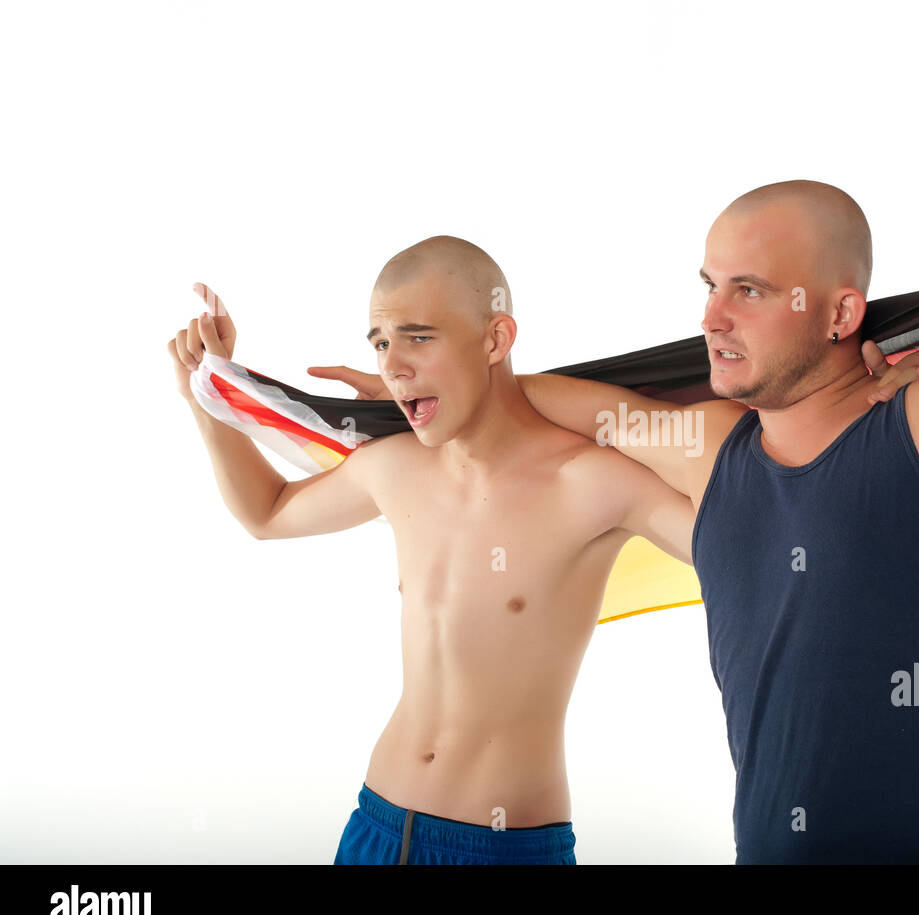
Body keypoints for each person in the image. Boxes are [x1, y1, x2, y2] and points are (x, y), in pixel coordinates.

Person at [319, 61, 919, 863]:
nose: (712, 318)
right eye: (709, 287)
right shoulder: (713, 449)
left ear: (839, 315)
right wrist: (415, 391)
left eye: (748, 291)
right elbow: (546, 400)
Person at [168, 236, 703, 864]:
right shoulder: (395, 466)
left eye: (419, 338)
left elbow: (747, 544)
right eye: (380, 342)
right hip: (376, 825)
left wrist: (563, 401)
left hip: (502, 847)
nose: (392, 365)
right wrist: (204, 398)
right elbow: (268, 513)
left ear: (496, 339)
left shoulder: (591, 482)